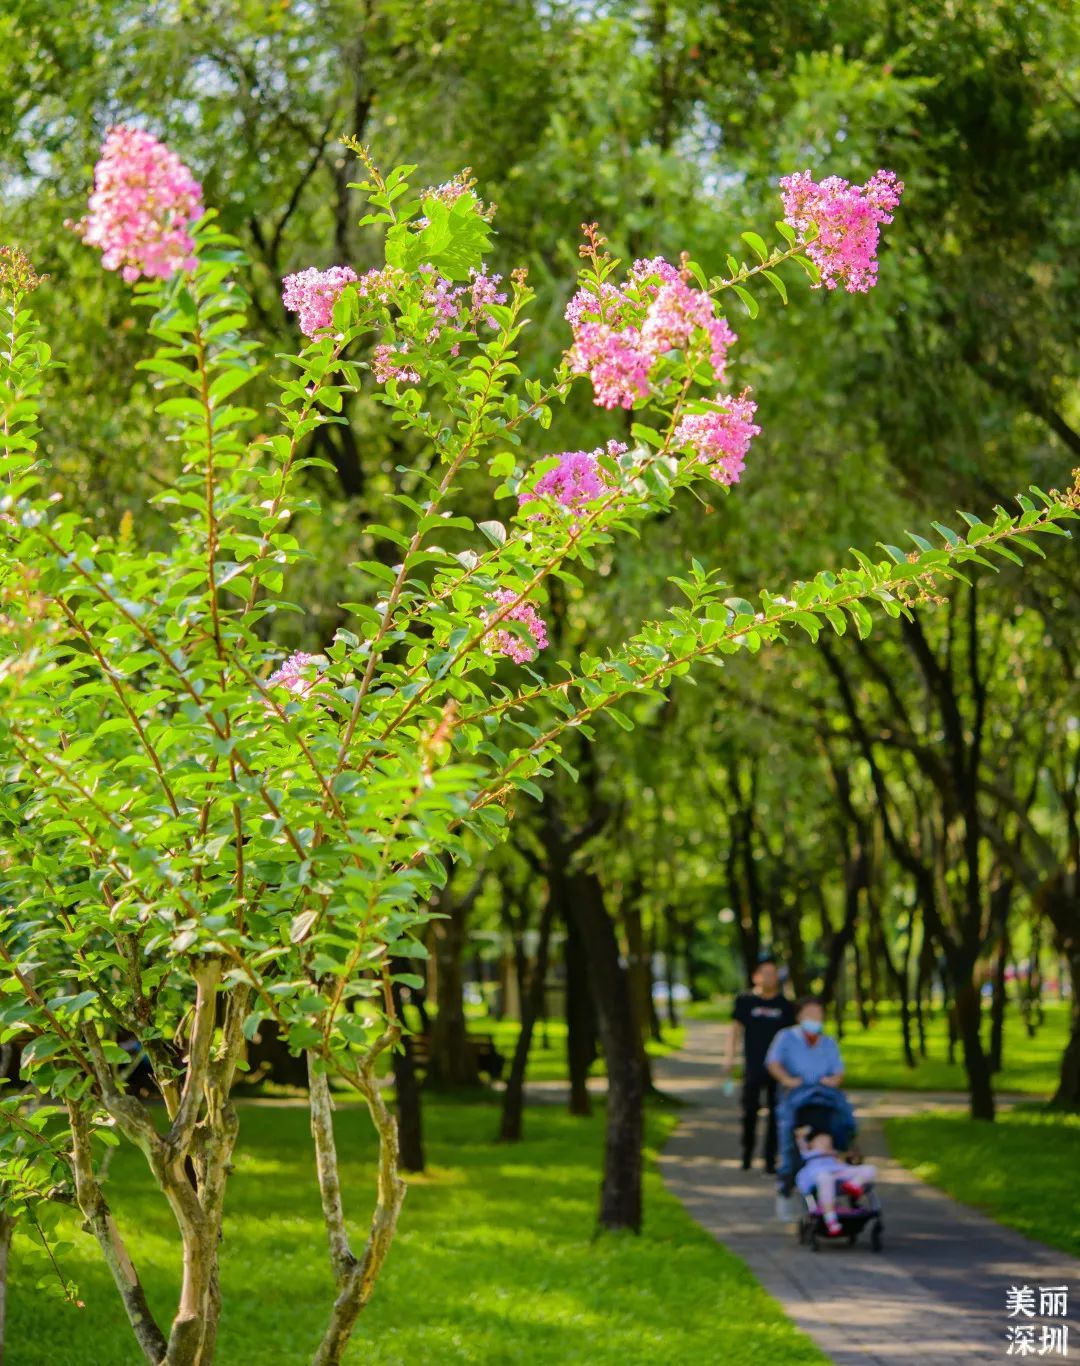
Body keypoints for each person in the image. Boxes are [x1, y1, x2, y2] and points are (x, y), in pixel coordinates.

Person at [766, 995, 847, 1217]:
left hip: (823, 1099)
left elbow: (838, 1071)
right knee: (791, 1143)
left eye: (818, 1014)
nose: (814, 1019)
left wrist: (832, 1081)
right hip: (796, 1098)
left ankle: (831, 1188)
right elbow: (773, 1063)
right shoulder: (786, 1038)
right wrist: (787, 1080)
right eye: (810, 1014)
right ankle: (787, 1187)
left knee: (833, 1133)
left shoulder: (828, 1042)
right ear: (800, 1015)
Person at [724, 955, 795, 1172]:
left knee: (776, 1114)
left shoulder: (785, 1005)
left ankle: (770, 1160)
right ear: (756, 976)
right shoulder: (745, 1001)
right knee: (749, 1111)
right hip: (753, 1067)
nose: (769, 978)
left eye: (773, 974)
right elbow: (735, 1030)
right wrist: (729, 1058)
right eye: (765, 973)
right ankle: (747, 1153)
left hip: (778, 1070)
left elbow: (793, 1038)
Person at [794, 1125, 877, 1237]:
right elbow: (799, 1136)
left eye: (828, 1141)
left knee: (869, 1169)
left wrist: (847, 1157)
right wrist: (806, 1131)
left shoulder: (834, 1155)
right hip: (819, 1175)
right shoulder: (808, 1153)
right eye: (821, 1140)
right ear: (811, 1144)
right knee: (825, 1178)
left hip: (838, 1174)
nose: (826, 1143)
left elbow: (846, 1165)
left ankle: (854, 1184)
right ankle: (831, 1220)